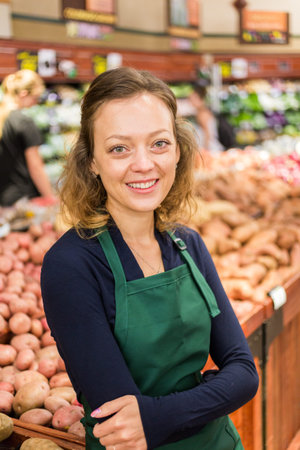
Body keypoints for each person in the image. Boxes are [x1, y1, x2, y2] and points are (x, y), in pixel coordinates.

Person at [41, 67, 259, 449]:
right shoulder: (71, 266)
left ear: (178, 150)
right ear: (91, 160)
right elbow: (121, 425)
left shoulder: (187, 243)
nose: (144, 164)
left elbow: (244, 373)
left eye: (158, 143)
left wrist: (156, 415)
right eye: (119, 148)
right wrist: (212, 395)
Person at [0, 69, 55, 206]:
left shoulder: (3, 118)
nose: (35, 103)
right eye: (35, 98)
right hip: (22, 198)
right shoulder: (25, 122)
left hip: (3, 197)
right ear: (24, 94)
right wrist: (49, 196)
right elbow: (35, 166)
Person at [189, 83, 235, 153]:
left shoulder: (202, 114)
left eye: (193, 98)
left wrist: (205, 150)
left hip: (211, 149)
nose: (190, 101)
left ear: (199, 98)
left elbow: (207, 134)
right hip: (214, 148)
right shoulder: (205, 111)